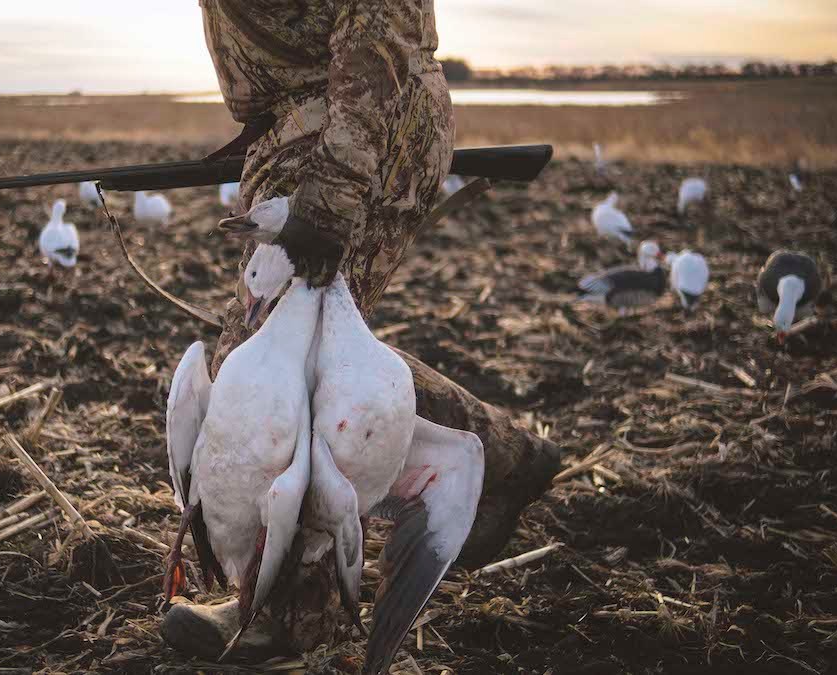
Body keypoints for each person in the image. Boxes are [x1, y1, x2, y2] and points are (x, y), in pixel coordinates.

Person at [162, 0, 560, 657]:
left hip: (357, 130)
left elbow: (377, 21)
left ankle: (286, 618)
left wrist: (336, 181)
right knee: (307, 358)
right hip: (308, 128)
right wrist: (267, 119)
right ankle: (498, 452)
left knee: (266, 387)